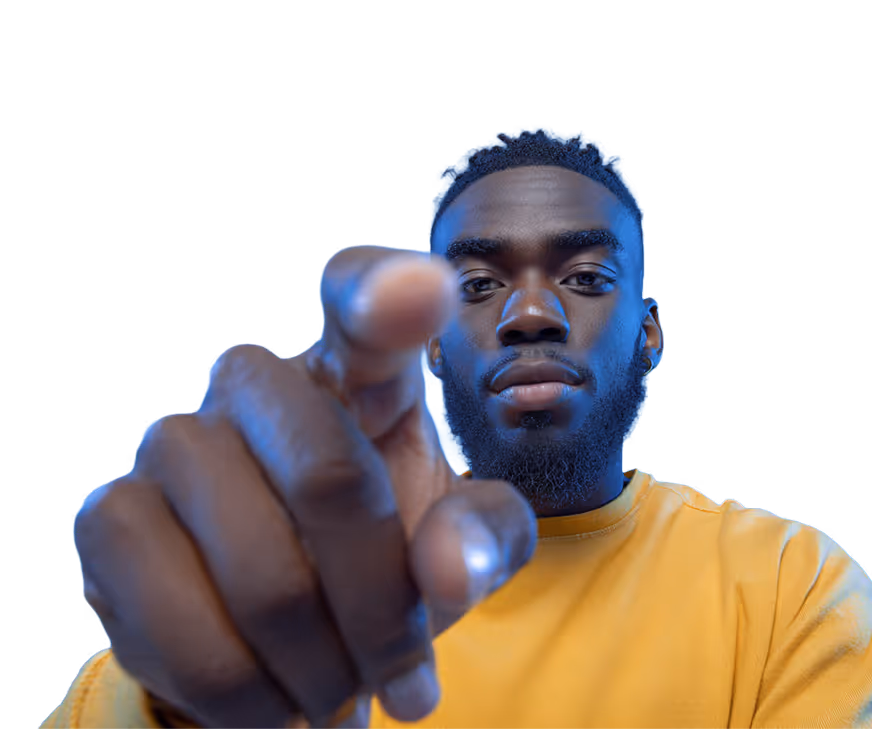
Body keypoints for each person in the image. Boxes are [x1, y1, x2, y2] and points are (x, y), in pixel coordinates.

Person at [41, 126, 871, 728]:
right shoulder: (315, 580)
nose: (533, 312)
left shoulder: (789, 586)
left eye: (585, 276)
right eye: (477, 285)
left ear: (649, 329)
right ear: (431, 345)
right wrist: (177, 703)